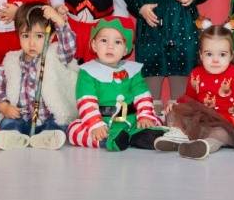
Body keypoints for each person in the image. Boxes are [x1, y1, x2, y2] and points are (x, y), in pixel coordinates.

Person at [154, 24, 234, 160]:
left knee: (220, 133)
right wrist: (178, 105)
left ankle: (204, 146)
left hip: (225, 123)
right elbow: (189, 97)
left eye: (222, 54)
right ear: (201, 55)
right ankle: (177, 137)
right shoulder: (196, 74)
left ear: (231, 56)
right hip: (201, 122)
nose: (215, 60)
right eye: (209, 54)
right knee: (174, 111)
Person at [0, 3, 78, 150]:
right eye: (25, 36)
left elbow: (69, 47)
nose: (31, 43)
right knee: (7, 123)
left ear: (51, 38)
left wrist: (60, 22)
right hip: (21, 118)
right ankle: (13, 137)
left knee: (59, 124)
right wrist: (3, 106)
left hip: (49, 118)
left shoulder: (56, 55)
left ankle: (47, 137)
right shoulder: (11, 61)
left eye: (39, 36)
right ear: (18, 35)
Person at [66, 18, 164, 151]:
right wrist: (95, 124)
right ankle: (109, 140)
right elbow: (86, 101)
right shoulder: (87, 71)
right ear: (94, 45)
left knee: (154, 120)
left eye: (117, 42)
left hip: (131, 120)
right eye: (104, 40)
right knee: (73, 130)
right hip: (103, 123)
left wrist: (145, 116)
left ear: (125, 50)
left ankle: (141, 136)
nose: (110, 46)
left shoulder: (132, 70)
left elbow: (143, 96)